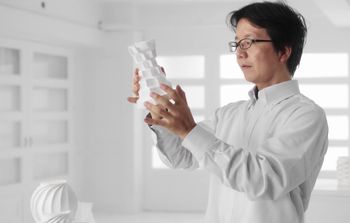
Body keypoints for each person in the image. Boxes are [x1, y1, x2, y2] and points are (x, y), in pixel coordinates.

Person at [128, 1, 328, 223]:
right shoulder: (229, 114)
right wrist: (160, 109)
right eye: (237, 44)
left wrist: (190, 130)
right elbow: (181, 157)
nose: (240, 53)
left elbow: (263, 178)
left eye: (249, 42)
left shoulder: (306, 115)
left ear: (283, 51)